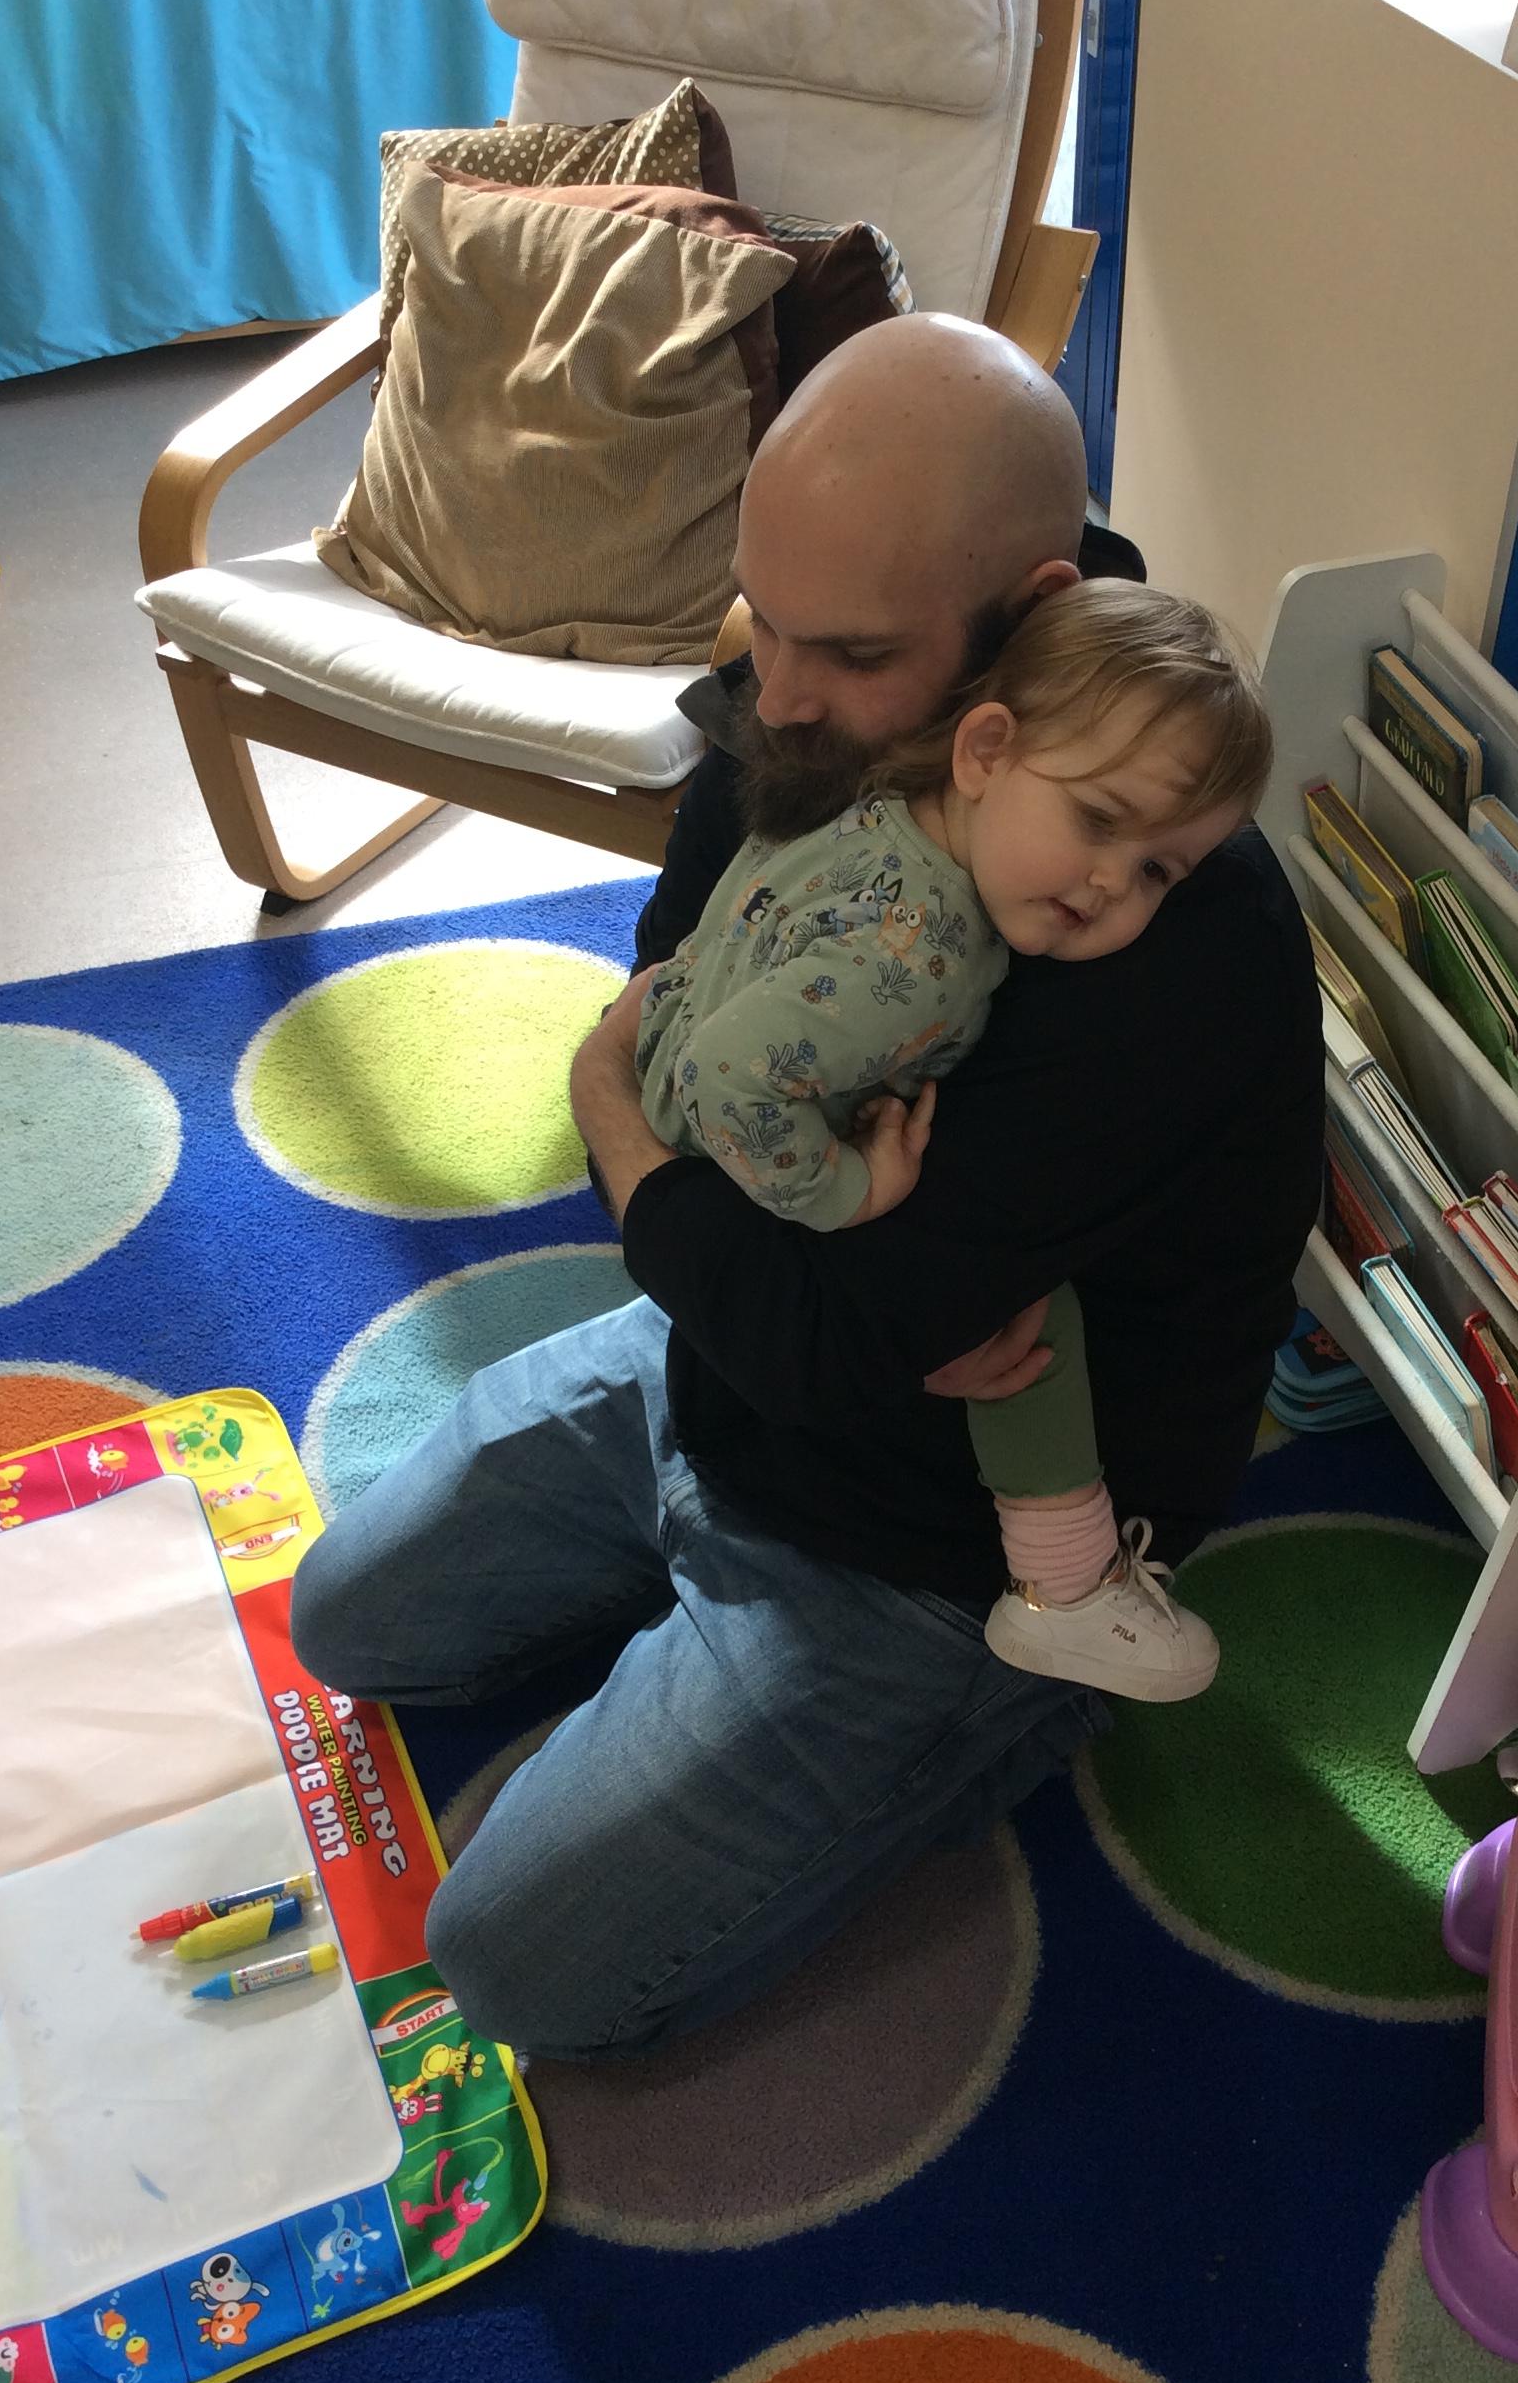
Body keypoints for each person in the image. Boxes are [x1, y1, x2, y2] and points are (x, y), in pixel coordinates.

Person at [289, 315, 1324, 2062]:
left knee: (517, 1969)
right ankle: (694, 1597)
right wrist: (704, 1199)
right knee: (347, 1621)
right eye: (762, 620)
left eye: (846, 650)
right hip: (715, 1356)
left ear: (1027, 618)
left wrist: (629, 1138)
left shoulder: (1165, 934)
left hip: (942, 1543)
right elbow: (676, 1030)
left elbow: (720, 1199)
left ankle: (1011, 1708)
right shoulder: (809, 722)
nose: (775, 695)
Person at [632, 580, 1273, 1703]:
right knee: (1031, 1319)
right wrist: (845, 1192)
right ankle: (1065, 1586)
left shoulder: (880, 796)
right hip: (723, 1134)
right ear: (984, 749)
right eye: (1100, 821)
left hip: (680, 1045)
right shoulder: (923, 959)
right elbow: (730, 1080)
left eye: (1159, 871)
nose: (1113, 884)